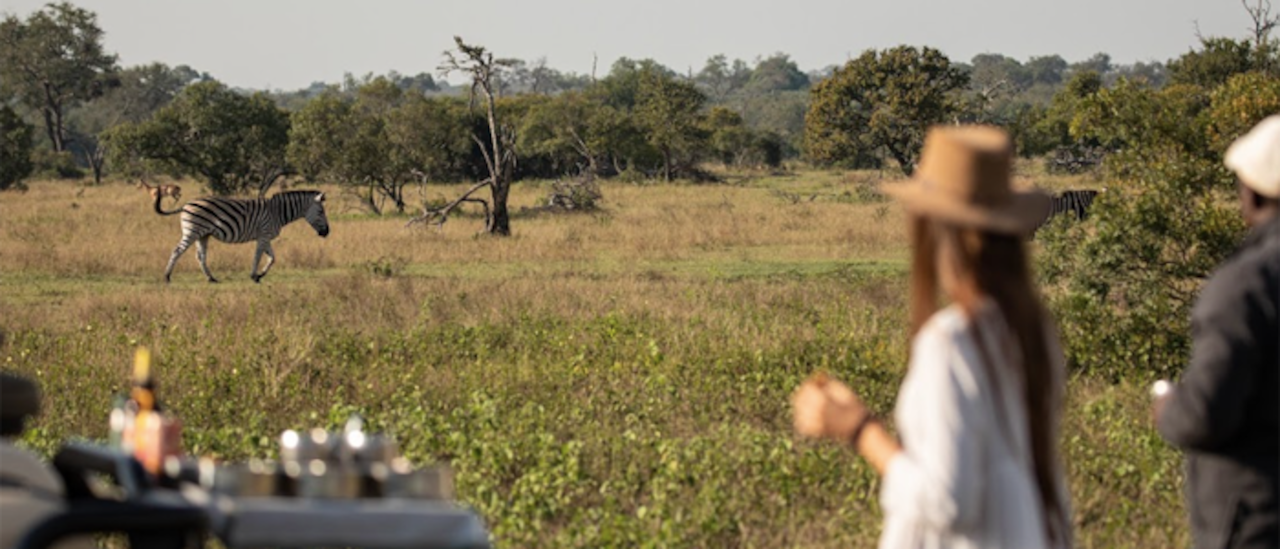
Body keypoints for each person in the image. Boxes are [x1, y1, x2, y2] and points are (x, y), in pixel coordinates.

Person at [791, 125, 1072, 548]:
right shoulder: (1032, 330)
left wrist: (859, 429)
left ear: (932, 226)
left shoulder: (951, 342)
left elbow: (948, 504)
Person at [1155, 114, 1280, 548]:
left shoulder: (1248, 284)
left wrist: (1169, 407)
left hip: (1259, 520)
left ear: (1253, 195)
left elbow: (1208, 414)